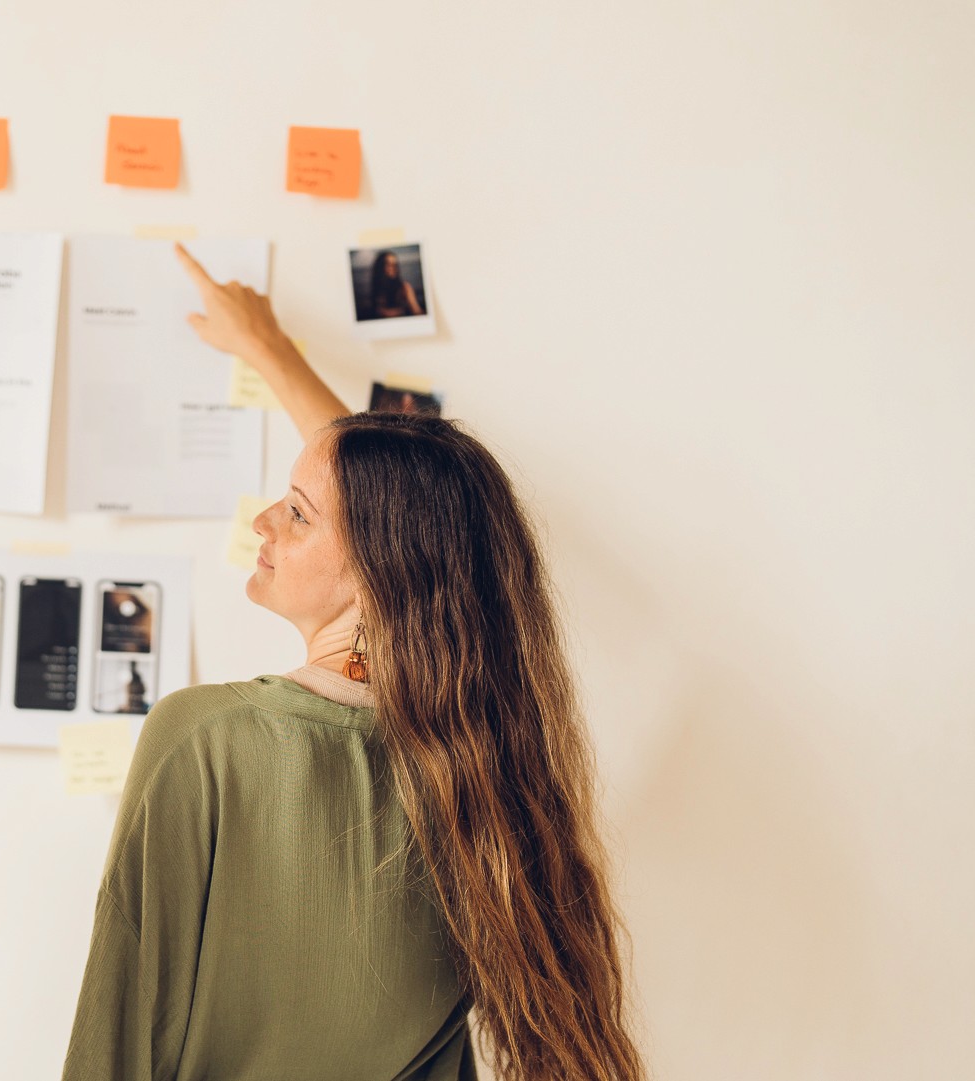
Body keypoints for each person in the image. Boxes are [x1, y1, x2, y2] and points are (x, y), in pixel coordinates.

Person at [59, 246, 645, 1081]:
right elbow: (386, 501)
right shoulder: (482, 776)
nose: (264, 519)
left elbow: (118, 1030)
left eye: (294, 513)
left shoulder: (204, 738)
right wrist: (269, 349)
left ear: (381, 578)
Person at [366, 248, 424, 319]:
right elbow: (379, 311)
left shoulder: (405, 287)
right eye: (389, 264)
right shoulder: (379, 288)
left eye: (395, 264)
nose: (393, 267)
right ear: (381, 267)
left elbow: (416, 311)